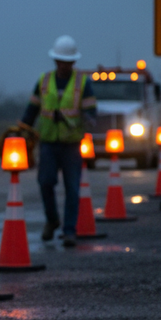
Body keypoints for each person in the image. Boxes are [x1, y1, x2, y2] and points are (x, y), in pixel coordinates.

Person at [20, 35, 97, 248]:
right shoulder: (44, 81)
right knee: (45, 183)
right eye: (60, 61)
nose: (63, 65)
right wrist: (20, 130)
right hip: (48, 143)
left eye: (67, 62)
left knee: (72, 188)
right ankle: (52, 220)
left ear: (73, 62)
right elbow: (31, 110)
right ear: (55, 61)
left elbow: (91, 112)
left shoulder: (83, 83)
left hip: (71, 144)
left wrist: (87, 119)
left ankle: (69, 230)